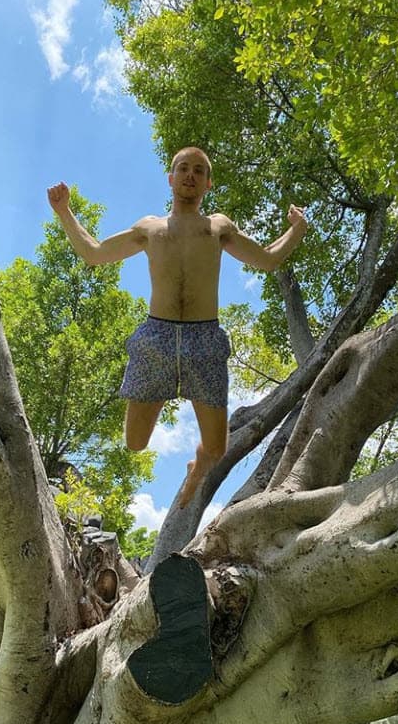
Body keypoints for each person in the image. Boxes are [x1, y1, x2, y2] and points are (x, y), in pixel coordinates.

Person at [47, 146, 307, 508]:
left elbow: (267, 259)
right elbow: (94, 252)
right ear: (170, 179)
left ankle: (195, 466)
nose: (190, 175)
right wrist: (64, 212)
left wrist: (298, 228)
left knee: (216, 448)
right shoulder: (149, 228)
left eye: (199, 171)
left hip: (205, 337)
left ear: (208, 183)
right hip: (157, 337)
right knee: (135, 442)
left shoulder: (218, 227)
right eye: (183, 168)